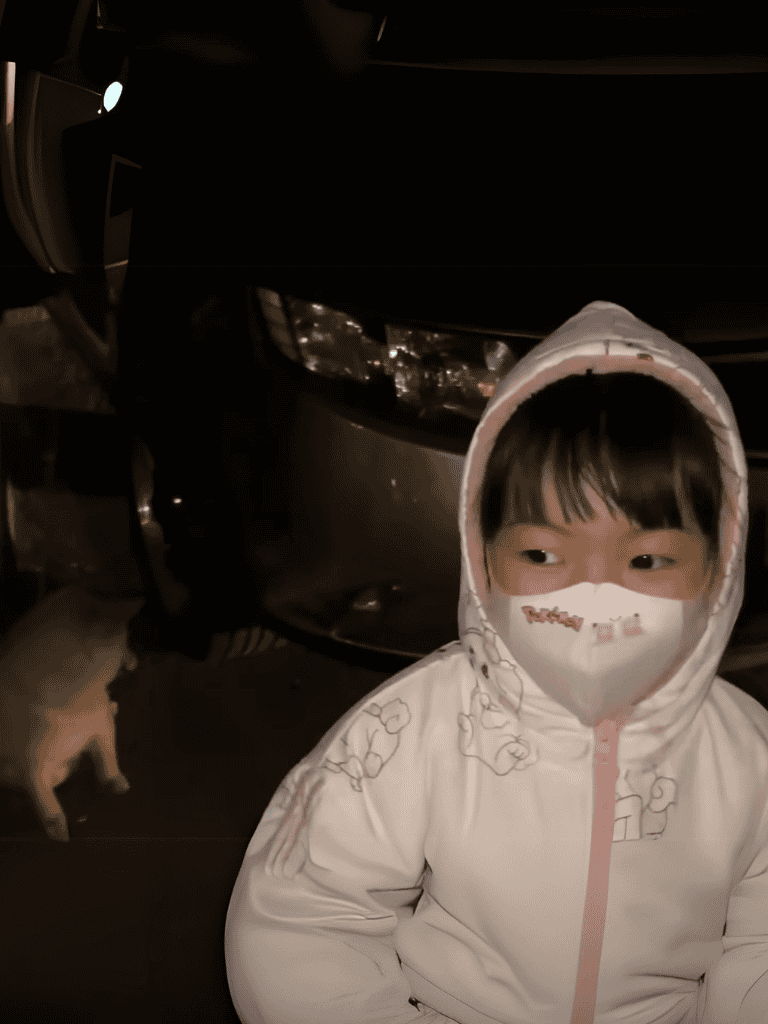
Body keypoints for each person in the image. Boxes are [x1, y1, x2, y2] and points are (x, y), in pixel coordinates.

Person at [223, 300, 768, 1024]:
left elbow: (759, 946)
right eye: (543, 554)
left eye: (646, 559)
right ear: (484, 560)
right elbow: (301, 914)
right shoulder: (414, 729)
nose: (593, 596)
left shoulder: (747, 757)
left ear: (717, 572)